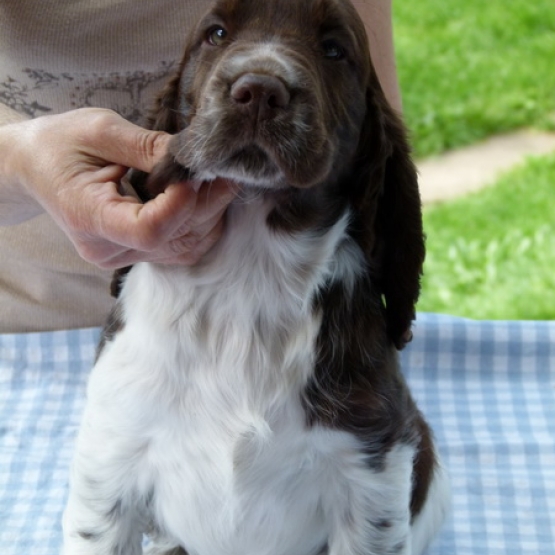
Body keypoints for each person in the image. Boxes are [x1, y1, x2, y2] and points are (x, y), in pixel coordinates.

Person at [0, 0, 401, 333]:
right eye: (219, 35)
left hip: (314, 318)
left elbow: (369, 130)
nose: (258, 88)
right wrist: (20, 159)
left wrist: (390, 309)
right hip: (33, 326)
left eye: (329, 50)